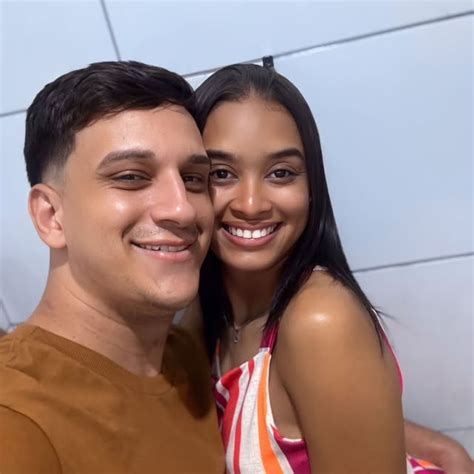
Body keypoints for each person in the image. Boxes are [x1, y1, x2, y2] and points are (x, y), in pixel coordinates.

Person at [189, 63, 473, 473]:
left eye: (281, 173)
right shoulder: (206, 313)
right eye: (221, 174)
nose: (251, 204)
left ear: (311, 187)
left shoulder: (320, 321)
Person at [0, 61, 224, 473]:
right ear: (51, 216)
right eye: (132, 177)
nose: (183, 209)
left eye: (194, 179)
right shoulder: (16, 417)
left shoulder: (190, 357)